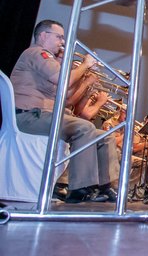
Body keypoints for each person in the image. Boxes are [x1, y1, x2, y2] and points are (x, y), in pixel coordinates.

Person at [10, 19, 119, 203]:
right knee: (84, 128)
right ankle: (78, 188)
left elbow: (67, 94)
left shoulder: (46, 59)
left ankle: (104, 186)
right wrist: (84, 65)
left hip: (42, 116)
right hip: (28, 116)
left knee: (104, 136)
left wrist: (85, 79)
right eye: (59, 37)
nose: (62, 41)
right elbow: (64, 80)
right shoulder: (37, 53)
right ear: (43, 36)